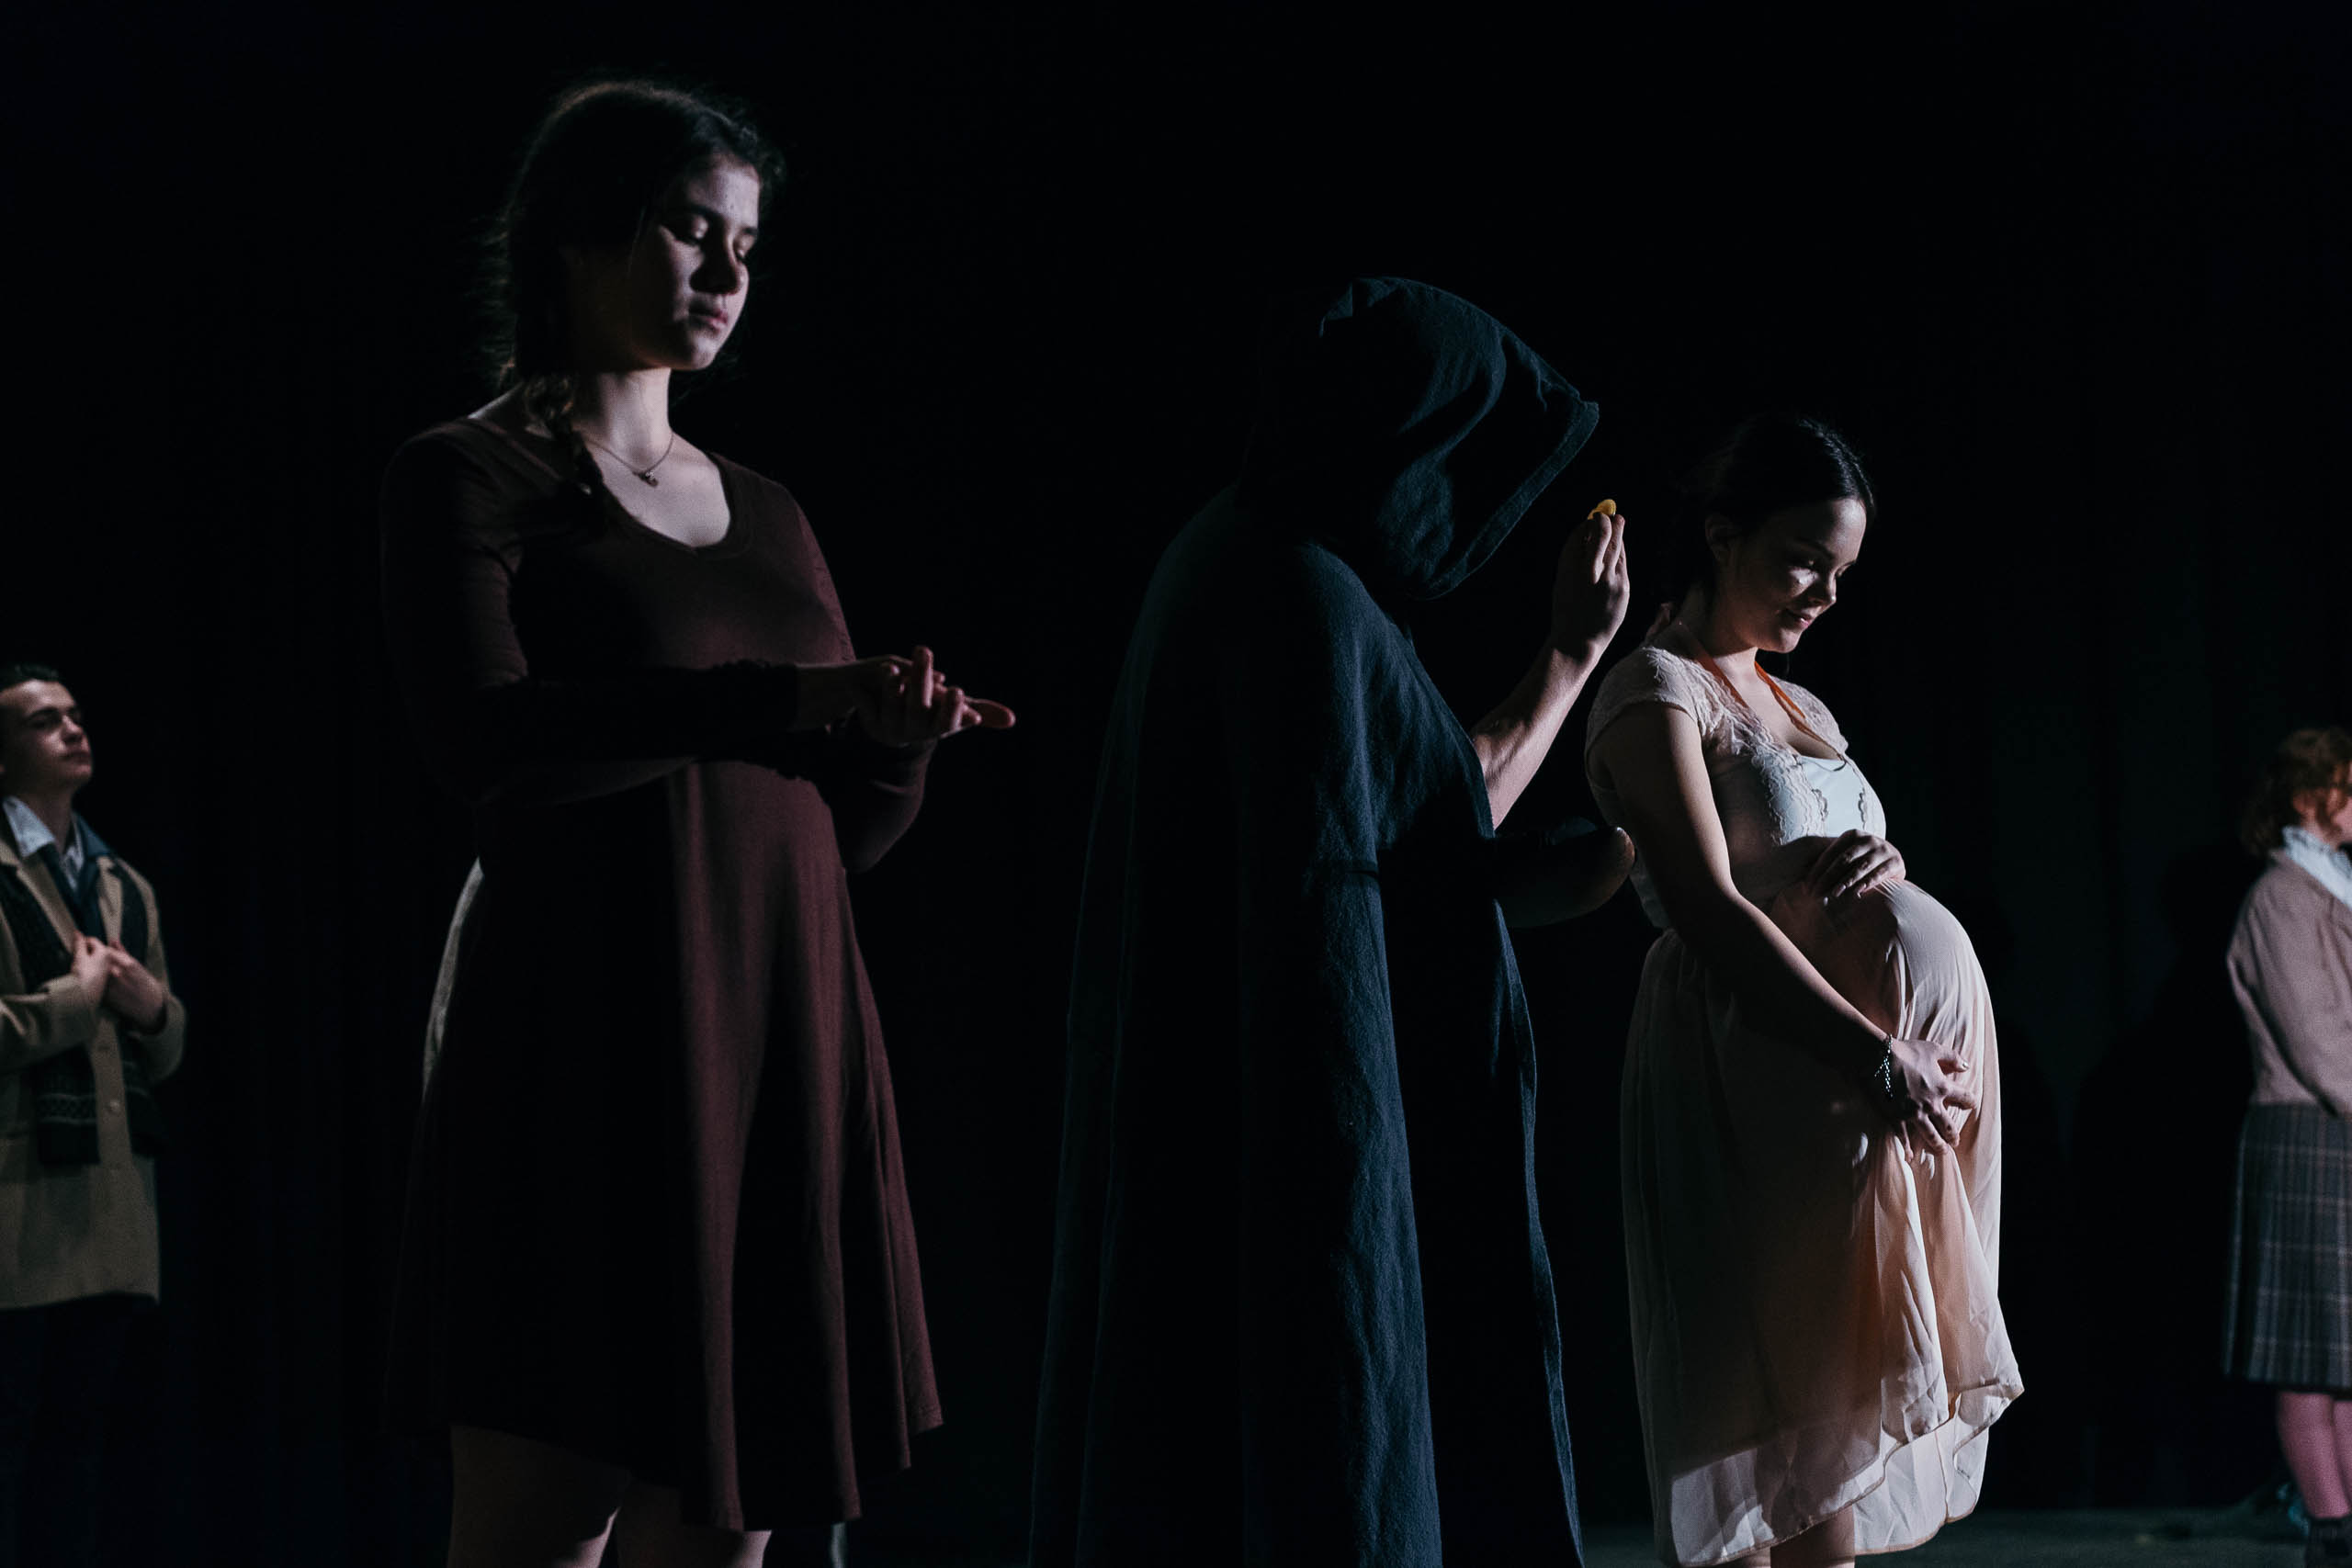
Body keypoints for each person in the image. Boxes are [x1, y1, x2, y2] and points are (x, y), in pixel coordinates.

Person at [378, 81, 1012, 1568]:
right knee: (547, 1519)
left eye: (746, 246)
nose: (728, 272)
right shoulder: (471, 473)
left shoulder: (770, 511)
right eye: (689, 230)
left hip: (775, 1045)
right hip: (588, 1056)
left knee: (729, 1529)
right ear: (580, 234)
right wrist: (788, 700)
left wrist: (894, 751)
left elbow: (830, 840)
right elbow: (489, 745)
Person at [1032, 276, 1635, 1567]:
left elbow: (1374, 836)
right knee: (1321, 1422)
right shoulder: (1306, 596)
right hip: (1301, 1110)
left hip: (1219, 1095)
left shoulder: (1228, 555)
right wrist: (1570, 659)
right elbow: (1433, 824)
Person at [1582, 414, 2018, 1567]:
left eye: (1841, 572)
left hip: (1852, 1096)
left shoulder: (1804, 706)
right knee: (1761, 1402)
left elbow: (1820, 863)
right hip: (1755, 1065)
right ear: (1721, 536)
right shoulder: (1654, 689)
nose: (1824, 595)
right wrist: (1874, 1052)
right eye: (1801, 562)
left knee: (1835, 1413)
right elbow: (1709, 906)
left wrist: (1889, 866)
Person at [0, 663, 187, 1568]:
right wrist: (75, 1001)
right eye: (45, 721)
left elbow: (166, 1049)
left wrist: (155, 1011)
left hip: (109, 1221)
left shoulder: (121, 882)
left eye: (75, 715)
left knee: (75, 1471)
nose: (74, 730)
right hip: (17, 1221)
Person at [2222, 725, 2352, 1568]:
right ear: (2310, 799)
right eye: (2348, 784)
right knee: (2308, 1354)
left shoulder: (2332, 886)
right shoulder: (2282, 897)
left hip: (2339, 1132)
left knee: (2344, 1357)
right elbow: (2319, 1040)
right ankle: (2331, 1528)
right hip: (2307, 1130)